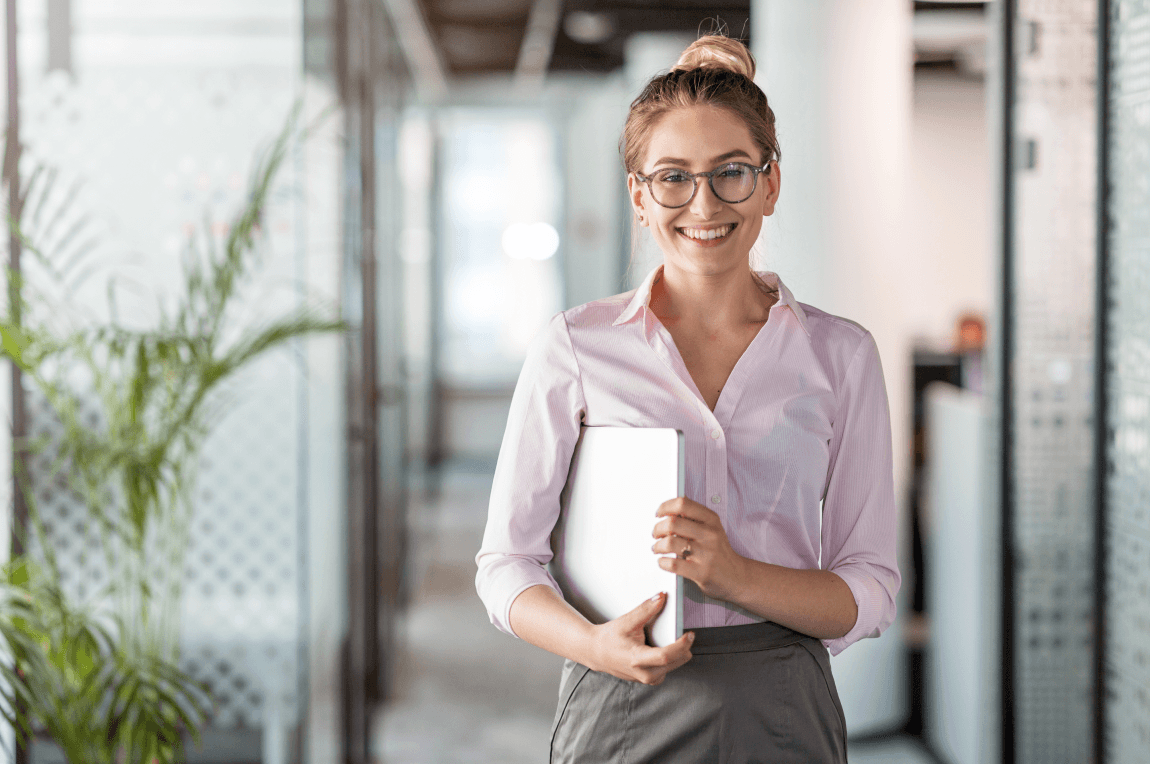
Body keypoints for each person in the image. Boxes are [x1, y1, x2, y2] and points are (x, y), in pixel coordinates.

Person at [475, 34, 900, 763]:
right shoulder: (576, 347)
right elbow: (506, 564)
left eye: (731, 172)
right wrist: (591, 644)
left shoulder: (842, 356)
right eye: (673, 177)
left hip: (783, 704)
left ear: (770, 183)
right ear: (640, 196)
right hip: (620, 694)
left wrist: (734, 575)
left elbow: (869, 588)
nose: (703, 203)